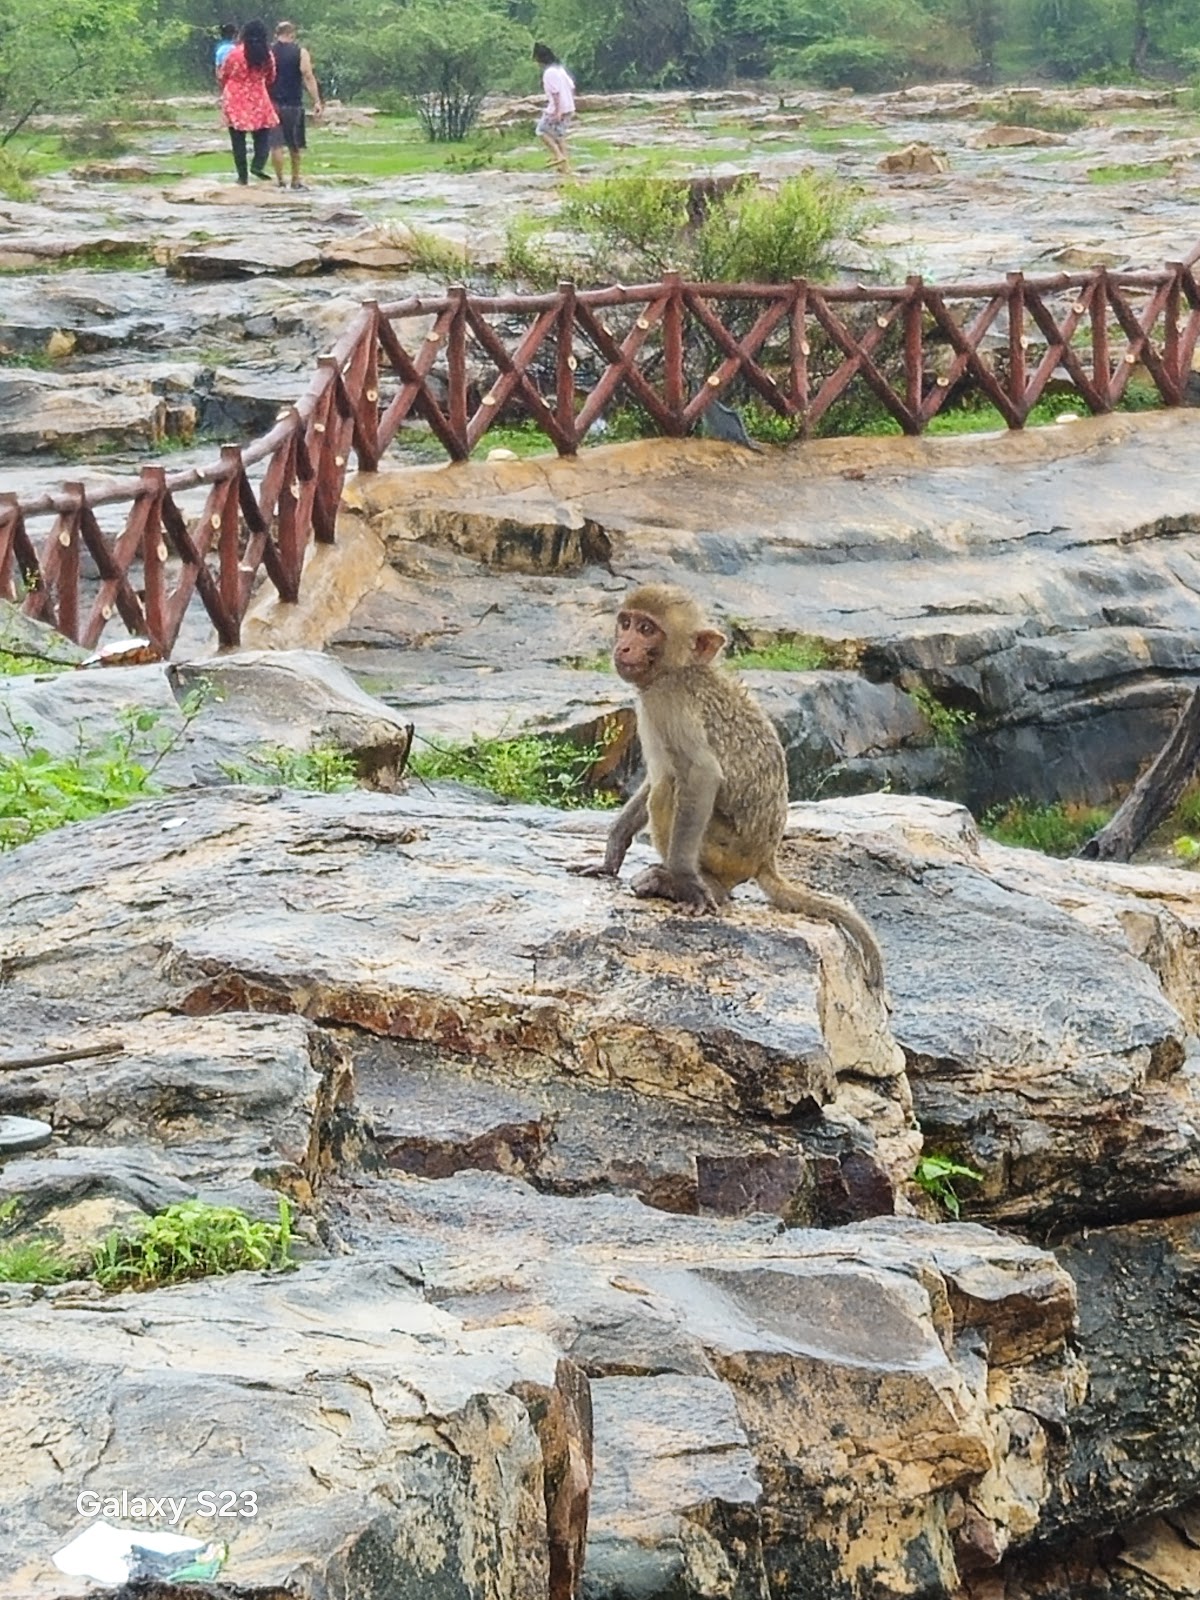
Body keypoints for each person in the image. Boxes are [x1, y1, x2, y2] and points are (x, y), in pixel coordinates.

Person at [218, 18, 279, 186]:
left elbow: (223, 74)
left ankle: (242, 177)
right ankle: (258, 164)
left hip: (235, 97)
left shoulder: (235, 54)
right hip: (258, 96)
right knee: (263, 135)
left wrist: (228, 88)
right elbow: (271, 76)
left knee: (238, 140)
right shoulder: (267, 55)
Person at [268, 20, 322, 191]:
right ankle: (295, 180)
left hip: (272, 103)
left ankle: (280, 180)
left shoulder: (269, 52)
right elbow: (307, 75)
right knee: (295, 143)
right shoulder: (301, 52)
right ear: (292, 33)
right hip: (293, 103)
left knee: (275, 143)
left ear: (276, 34)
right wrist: (316, 100)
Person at [532, 43, 574, 175]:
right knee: (559, 136)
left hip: (558, 108)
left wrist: (557, 111)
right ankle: (565, 166)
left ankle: (558, 156)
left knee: (541, 131)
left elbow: (555, 92)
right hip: (569, 106)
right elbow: (571, 87)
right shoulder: (560, 70)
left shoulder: (549, 73)